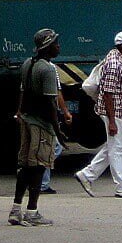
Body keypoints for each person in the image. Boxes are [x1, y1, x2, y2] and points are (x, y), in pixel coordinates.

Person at [8, 28, 67, 226]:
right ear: (48, 47)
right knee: (39, 166)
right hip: (41, 124)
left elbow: (23, 92)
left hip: (27, 120)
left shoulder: (27, 64)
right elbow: (51, 103)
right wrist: (58, 130)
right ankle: (32, 211)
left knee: (25, 165)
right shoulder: (48, 69)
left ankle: (16, 208)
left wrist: (19, 113)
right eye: (56, 44)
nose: (59, 47)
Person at [74, 30, 122, 199]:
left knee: (113, 145)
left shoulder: (120, 60)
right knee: (118, 148)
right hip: (114, 111)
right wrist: (112, 120)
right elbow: (107, 93)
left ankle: (87, 175)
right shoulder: (114, 64)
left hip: (119, 109)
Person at [40, 65, 72, 194]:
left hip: (33, 113)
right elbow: (56, 93)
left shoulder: (30, 65)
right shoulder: (50, 69)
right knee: (54, 147)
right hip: (46, 114)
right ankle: (40, 180)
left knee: (44, 147)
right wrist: (65, 112)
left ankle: (42, 182)